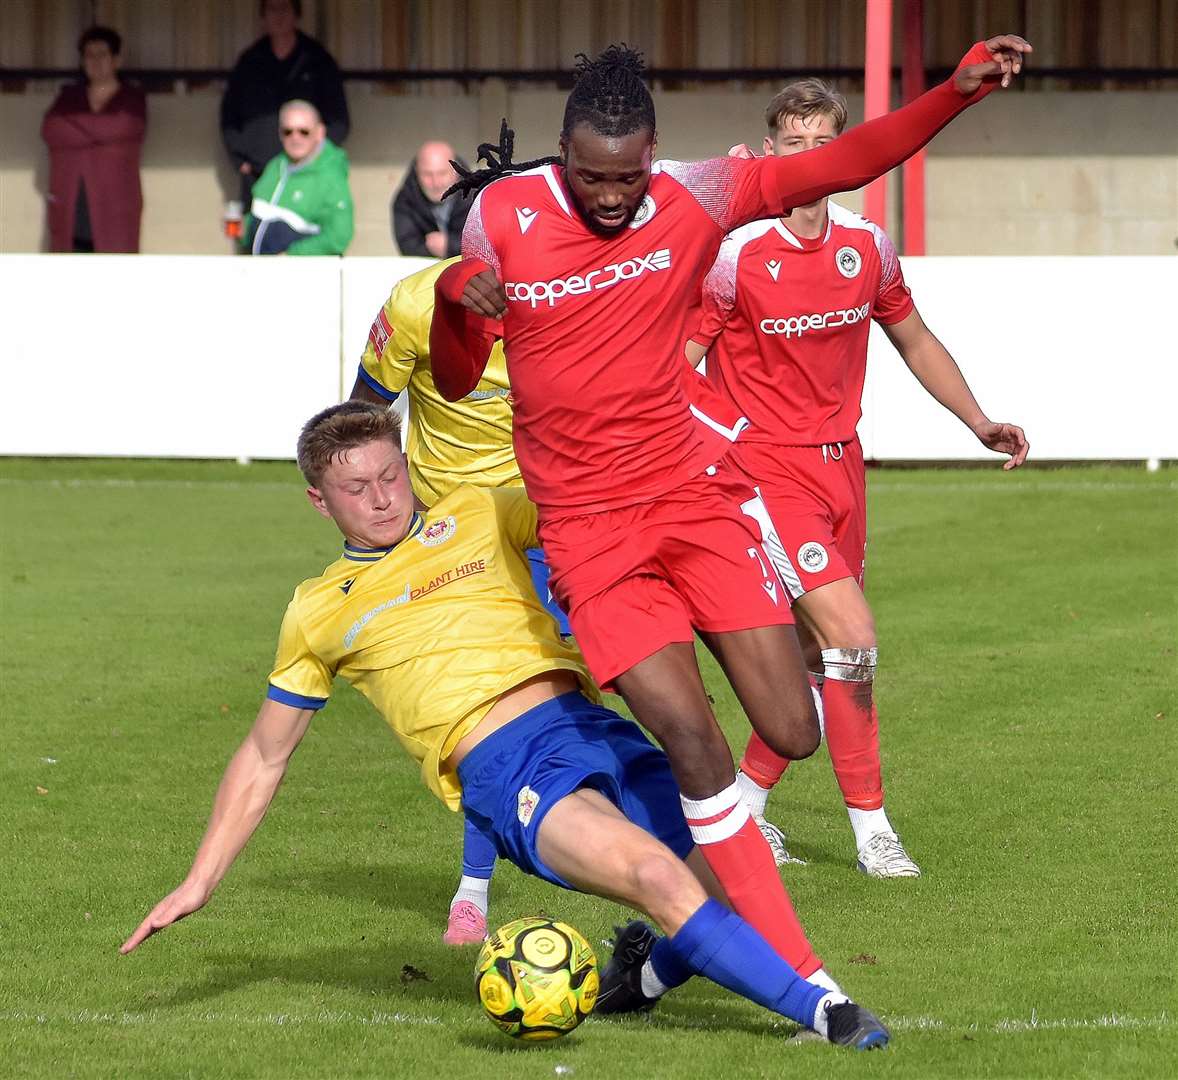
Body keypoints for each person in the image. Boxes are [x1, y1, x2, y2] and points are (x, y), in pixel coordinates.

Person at [429, 38, 1031, 983]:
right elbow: (461, 376)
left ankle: (669, 952)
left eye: (627, 176)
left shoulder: (698, 196)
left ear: (656, 153)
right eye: (590, 176)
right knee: (692, 740)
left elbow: (842, 162)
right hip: (589, 530)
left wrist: (953, 93)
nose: (611, 196)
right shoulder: (500, 216)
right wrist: (457, 296)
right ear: (562, 153)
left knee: (791, 728)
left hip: (693, 503)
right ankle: (792, 976)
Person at [118, 401, 891, 1051]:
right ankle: (827, 1015)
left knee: (731, 865)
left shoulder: (477, 512)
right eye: (357, 489)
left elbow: (582, 511)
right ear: (320, 502)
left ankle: (646, 975)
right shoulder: (319, 609)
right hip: (508, 768)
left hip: (592, 726)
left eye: (392, 474)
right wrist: (199, 880)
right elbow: (263, 755)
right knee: (658, 878)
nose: (384, 498)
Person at [352, 260, 751, 945]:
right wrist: (388, 515)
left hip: (562, 524)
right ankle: (473, 890)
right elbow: (364, 411)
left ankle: (702, 846)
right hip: (461, 547)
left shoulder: (572, 296)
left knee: (643, 689)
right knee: (494, 712)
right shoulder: (417, 304)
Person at [688, 80, 1030, 877]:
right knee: (854, 638)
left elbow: (914, 339)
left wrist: (978, 421)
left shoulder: (867, 245)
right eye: (794, 142)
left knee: (817, 654)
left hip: (844, 468)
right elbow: (681, 365)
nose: (810, 157)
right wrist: (722, 443)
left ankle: (745, 810)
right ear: (770, 152)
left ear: (845, 154)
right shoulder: (736, 252)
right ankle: (873, 828)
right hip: (768, 475)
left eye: (824, 142)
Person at [221, 0, 349, 207]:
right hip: (259, 173)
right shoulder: (250, 61)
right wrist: (240, 158)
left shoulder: (318, 60)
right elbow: (229, 117)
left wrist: (319, 158)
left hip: (309, 176)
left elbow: (339, 121)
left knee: (306, 236)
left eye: (284, 9)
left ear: (296, 14)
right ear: (263, 16)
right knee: (257, 236)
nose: (278, 16)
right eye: (272, 9)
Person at [41, 25, 146, 253]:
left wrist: (74, 129)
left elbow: (124, 125)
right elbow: (50, 129)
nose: (95, 61)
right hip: (71, 204)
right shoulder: (69, 97)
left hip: (115, 206)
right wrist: (101, 136)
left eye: (102, 55)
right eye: (89, 55)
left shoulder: (132, 98)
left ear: (116, 60)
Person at [241, 99, 354, 256]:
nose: (295, 138)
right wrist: (242, 230)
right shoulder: (275, 166)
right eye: (288, 131)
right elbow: (257, 216)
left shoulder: (331, 176)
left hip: (304, 274)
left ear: (319, 133)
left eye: (304, 132)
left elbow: (338, 238)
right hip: (261, 270)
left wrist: (292, 256)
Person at [392, 142, 473, 258]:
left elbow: (487, 243)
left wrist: (450, 246)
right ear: (417, 171)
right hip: (426, 270)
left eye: (442, 173)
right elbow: (407, 246)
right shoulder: (405, 199)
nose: (436, 182)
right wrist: (432, 248)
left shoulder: (477, 196)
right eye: (427, 174)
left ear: (456, 171)